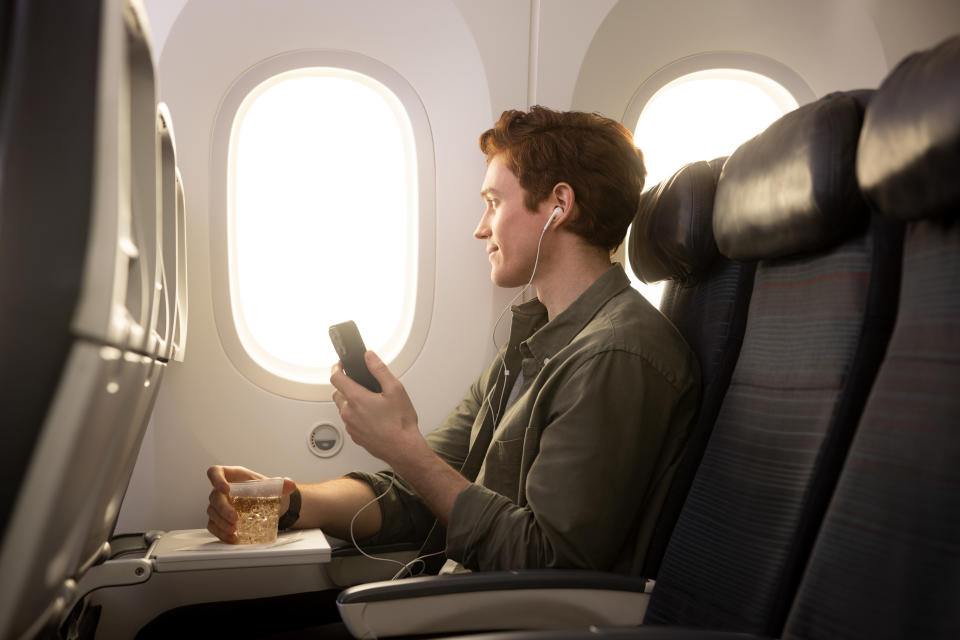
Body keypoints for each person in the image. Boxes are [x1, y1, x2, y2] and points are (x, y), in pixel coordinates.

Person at [207, 106, 700, 576]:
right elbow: (424, 488)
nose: (480, 229)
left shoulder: (615, 356)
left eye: (493, 203)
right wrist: (284, 504)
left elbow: (547, 563)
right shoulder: (533, 345)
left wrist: (404, 447)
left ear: (559, 206)